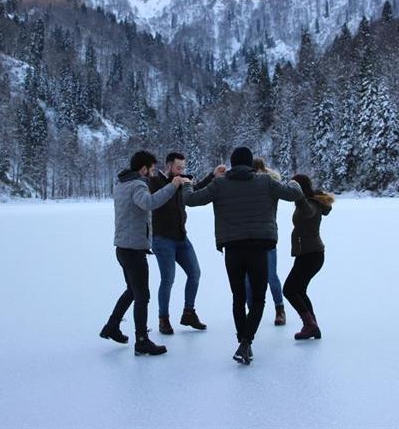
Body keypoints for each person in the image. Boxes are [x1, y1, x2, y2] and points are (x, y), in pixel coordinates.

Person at [183, 146, 303, 365]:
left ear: (232, 162)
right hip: (259, 248)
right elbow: (294, 194)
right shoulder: (265, 181)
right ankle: (246, 342)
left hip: (233, 249)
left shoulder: (219, 184)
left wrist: (187, 183)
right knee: (258, 298)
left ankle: (243, 342)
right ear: (250, 164)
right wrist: (295, 182)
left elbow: (190, 200)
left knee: (238, 298)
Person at [99, 150, 191, 356]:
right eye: (151, 168)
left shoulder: (122, 184)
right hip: (133, 250)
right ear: (143, 168)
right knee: (143, 296)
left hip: (123, 248)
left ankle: (112, 326)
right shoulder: (138, 185)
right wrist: (172, 186)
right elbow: (149, 203)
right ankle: (141, 340)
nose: (153, 172)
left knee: (133, 291)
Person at [149, 152, 223, 334]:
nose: (181, 171)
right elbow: (154, 200)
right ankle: (163, 319)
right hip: (162, 239)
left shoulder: (181, 182)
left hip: (181, 237)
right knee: (168, 279)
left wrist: (213, 176)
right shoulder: (155, 181)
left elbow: (195, 191)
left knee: (195, 273)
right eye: (178, 168)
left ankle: (188, 313)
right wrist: (173, 185)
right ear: (168, 166)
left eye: (183, 168)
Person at [283, 174, 334, 340]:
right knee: (299, 290)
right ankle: (313, 326)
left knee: (289, 290)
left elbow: (307, 212)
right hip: (307, 253)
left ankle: (310, 325)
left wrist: (297, 195)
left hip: (311, 254)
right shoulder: (309, 201)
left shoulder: (311, 203)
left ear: (300, 188)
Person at [244, 157, 287, 326]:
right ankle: (251, 310)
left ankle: (279, 308)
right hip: (248, 237)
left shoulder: (270, 184)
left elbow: (288, 193)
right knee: (248, 278)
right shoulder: (245, 187)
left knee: (270, 275)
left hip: (267, 236)